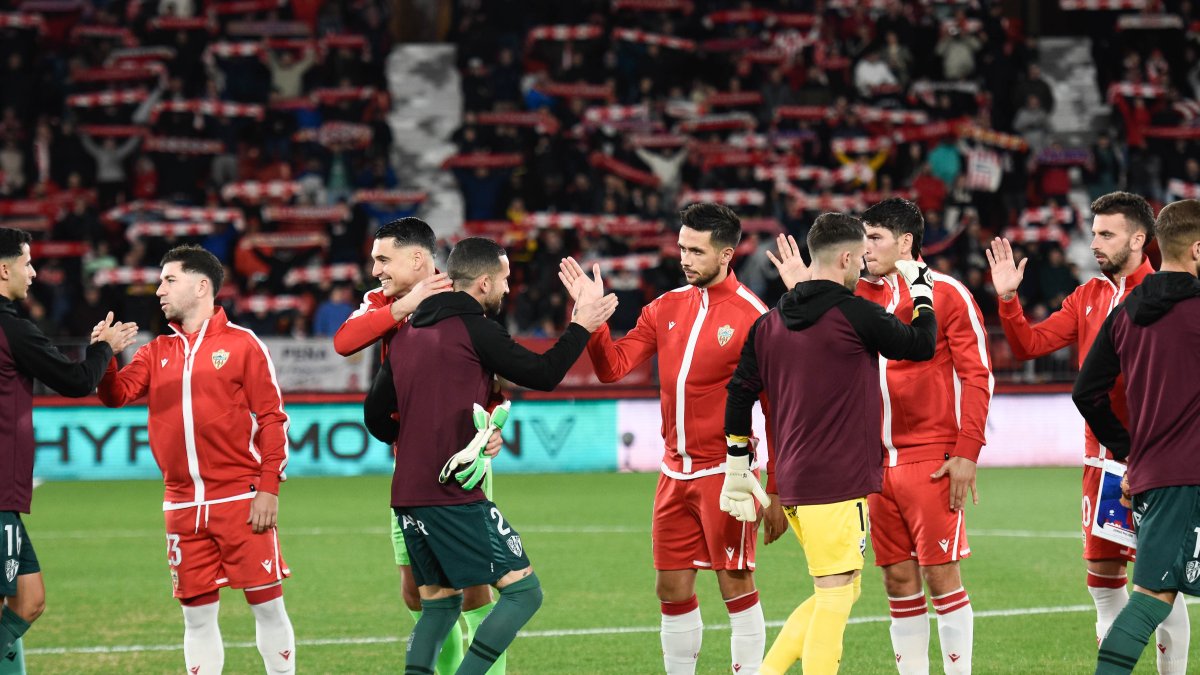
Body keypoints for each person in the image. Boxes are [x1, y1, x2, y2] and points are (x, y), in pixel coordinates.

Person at [364, 236, 617, 674]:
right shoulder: (475, 327)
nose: (507, 288)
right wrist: (582, 324)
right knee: (524, 592)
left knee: (440, 609)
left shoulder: (408, 332)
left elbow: (376, 418)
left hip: (407, 493)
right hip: (453, 494)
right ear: (483, 282)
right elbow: (542, 373)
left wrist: (424, 433)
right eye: (504, 279)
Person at [559, 202, 780, 675]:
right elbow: (612, 368)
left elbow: (778, 411)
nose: (685, 258)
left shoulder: (754, 317)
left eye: (696, 251)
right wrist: (592, 320)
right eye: (681, 247)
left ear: (726, 255)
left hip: (728, 473)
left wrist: (777, 490)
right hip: (672, 473)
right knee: (671, 589)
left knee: (735, 586)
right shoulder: (665, 307)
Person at [725, 212, 938, 675]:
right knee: (838, 594)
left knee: (839, 589)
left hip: (797, 482)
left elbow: (740, 392)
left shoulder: (769, 323)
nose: (863, 266)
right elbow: (921, 344)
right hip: (837, 482)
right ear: (845, 257)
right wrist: (922, 289)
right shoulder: (854, 313)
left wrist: (737, 464)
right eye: (860, 258)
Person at [987, 191, 1190, 673]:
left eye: (1106, 234)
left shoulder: (1165, 295)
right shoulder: (1089, 296)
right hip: (1100, 462)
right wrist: (1009, 299)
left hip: (1154, 459)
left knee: (1161, 580)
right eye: (1093, 232)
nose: (1094, 242)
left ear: (1140, 238)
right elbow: (1029, 346)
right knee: (1103, 580)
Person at [96, 245, 297, 675]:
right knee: (197, 617)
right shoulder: (154, 352)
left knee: (266, 606)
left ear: (201, 286)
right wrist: (106, 356)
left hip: (240, 501)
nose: (158, 290)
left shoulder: (243, 344)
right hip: (181, 505)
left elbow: (273, 419)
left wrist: (268, 488)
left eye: (169, 280)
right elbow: (115, 396)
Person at [333, 217, 502, 675]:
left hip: (458, 465)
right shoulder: (380, 302)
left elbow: (493, 368)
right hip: (408, 465)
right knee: (416, 592)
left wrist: (492, 424)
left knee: (475, 591)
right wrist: (405, 303)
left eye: (383, 259)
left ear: (417, 258)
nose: (375, 271)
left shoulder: (461, 301)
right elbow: (344, 342)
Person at [858, 199, 992, 675]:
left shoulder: (947, 293)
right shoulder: (856, 296)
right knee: (896, 580)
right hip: (873, 466)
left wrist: (967, 453)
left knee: (940, 576)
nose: (864, 246)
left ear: (906, 242)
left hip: (930, 458)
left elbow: (978, 376)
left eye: (874, 237)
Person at [1072, 198, 1200, 674]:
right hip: (1189, 475)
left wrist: (1130, 452)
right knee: (1152, 598)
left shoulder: (1125, 314)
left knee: (1154, 592)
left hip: (1154, 476)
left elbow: (1087, 392)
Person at [0, 228, 137, 669]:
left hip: (7, 495)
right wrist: (105, 348)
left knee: (29, 599)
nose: (34, 273)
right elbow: (76, 381)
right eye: (27, 263)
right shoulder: (10, 328)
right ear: (4, 270)